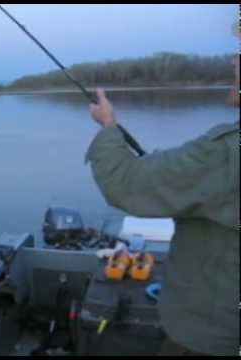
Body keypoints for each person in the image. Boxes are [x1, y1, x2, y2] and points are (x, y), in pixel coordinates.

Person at [85, 22, 239, 356]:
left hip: (210, 337)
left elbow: (126, 184)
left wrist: (108, 125)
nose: (233, 63)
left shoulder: (228, 150)